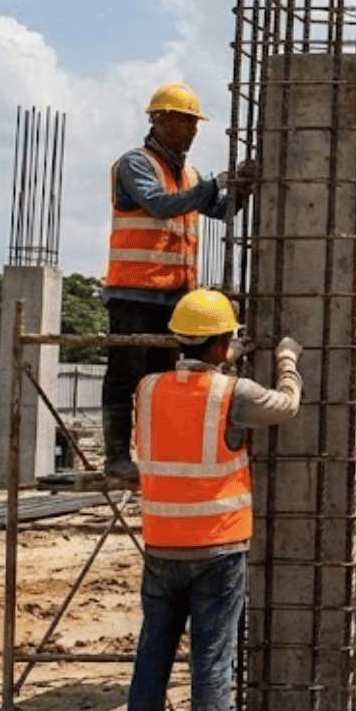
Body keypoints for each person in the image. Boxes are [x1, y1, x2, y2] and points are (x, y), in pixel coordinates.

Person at [123, 289, 301, 711]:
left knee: (151, 663)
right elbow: (286, 406)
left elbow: (191, 398)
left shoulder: (148, 388)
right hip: (217, 551)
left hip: (161, 545)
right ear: (223, 344)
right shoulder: (234, 394)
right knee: (212, 663)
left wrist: (226, 359)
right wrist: (287, 358)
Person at [103, 83, 257, 485]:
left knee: (163, 383)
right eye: (185, 122)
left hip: (174, 297)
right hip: (133, 292)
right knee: (125, 377)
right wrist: (217, 183)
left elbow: (222, 212)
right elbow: (158, 204)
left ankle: (156, 452)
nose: (191, 131)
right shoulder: (135, 165)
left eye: (194, 124)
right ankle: (117, 457)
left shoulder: (187, 174)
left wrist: (242, 187)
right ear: (160, 121)